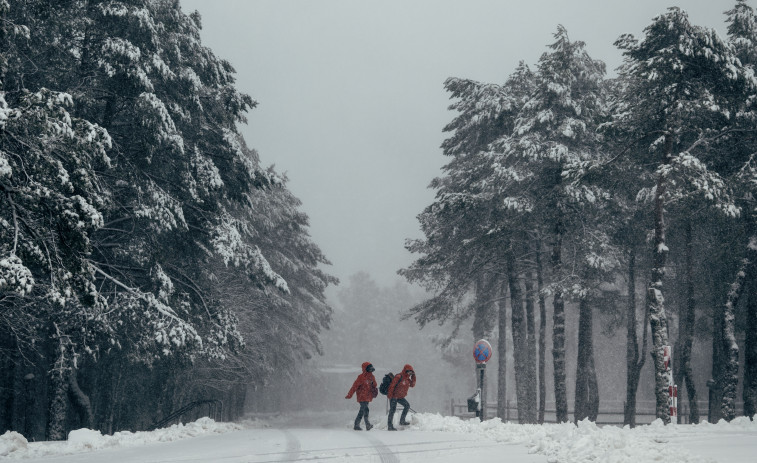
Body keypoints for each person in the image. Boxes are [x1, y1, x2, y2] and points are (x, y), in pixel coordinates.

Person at [345, 362, 378, 430]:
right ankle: (363, 424)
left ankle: (360, 425)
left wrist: (373, 382)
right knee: (363, 410)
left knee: (365, 410)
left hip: (368, 396)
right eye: (369, 368)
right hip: (362, 396)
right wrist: (349, 394)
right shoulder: (361, 377)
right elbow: (354, 386)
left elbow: (375, 385)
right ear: (365, 368)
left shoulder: (372, 376)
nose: (371, 369)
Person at [387, 364, 415, 430]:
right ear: (405, 370)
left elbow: (412, 385)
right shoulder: (399, 376)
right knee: (392, 410)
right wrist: (390, 395)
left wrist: (413, 376)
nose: (409, 373)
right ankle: (390, 426)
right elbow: (392, 386)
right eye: (409, 371)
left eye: (411, 372)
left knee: (407, 405)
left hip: (400, 397)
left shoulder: (407, 379)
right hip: (394, 396)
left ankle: (402, 421)